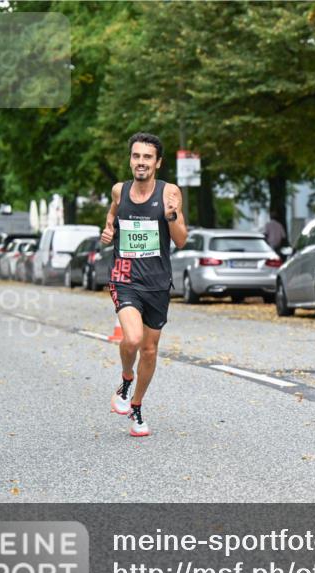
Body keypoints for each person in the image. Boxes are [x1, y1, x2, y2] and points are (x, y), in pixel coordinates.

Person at [100, 132, 187, 437]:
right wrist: (109, 229)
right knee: (134, 338)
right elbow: (113, 213)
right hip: (124, 276)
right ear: (130, 160)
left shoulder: (169, 192)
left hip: (157, 281)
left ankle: (136, 406)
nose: (141, 162)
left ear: (157, 163)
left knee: (149, 351)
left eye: (147, 157)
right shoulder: (119, 190)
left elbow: (181, 239)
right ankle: (126, 379)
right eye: (136, 156)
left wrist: (171, 216)